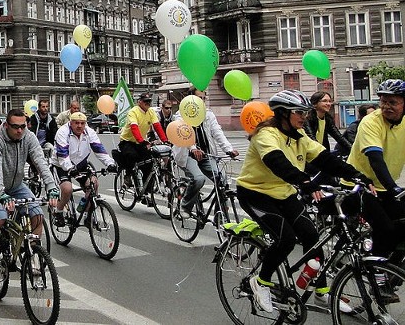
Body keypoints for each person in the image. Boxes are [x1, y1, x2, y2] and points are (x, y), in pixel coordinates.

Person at [236, 89, 373, 314]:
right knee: (286, 239)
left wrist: (357, 175)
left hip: (284, 193)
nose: (304, 117)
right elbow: (276, 161)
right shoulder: (266, 134)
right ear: (283, 114)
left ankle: (321, 291)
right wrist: (305, 182)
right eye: (298, 112)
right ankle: (261, 282)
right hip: (255, 194)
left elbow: (326, 159)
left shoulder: (300, 138)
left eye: (305, 112)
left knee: (312, 237)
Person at [0, 109, 59, 266]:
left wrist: (51, 186)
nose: (19, 130)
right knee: (0, 217)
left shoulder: (28, 136)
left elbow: (39, 160)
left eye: (23, 126)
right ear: (6, 125)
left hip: (16, 185)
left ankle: (34, 254)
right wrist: (0, 192)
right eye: (15, 126)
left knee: (37, 216)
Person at [341, 79, 405, 262]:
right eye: (383, 101)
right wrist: (394, 188)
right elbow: (376, 160)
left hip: (382, 186)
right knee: (385, 228)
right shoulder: (370, 122)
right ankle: (376, 271)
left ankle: (390, 269)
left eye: (393, 102)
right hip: (358, 185)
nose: (386, 106)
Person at [172, 87, 239, 218]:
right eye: (199, 98)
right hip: (188, 155)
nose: (201, 102)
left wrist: (228, 149)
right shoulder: (180, 115)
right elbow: (184, 133)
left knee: (222, 178)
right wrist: (193, 148)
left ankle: (221, 212)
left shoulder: (208, 114)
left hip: (206, 155)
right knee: (198, 179)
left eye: (203, 98)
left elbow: (217, 132)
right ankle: (185, 205)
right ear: (190, 100)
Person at [51, 112, 117, 226]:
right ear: (70, 123)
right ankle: (59, 211)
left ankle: (86, 214)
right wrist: (70, 168)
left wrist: (110, 163)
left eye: (82, 123)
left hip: (80, 164)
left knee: (93, 185)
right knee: (67, 189)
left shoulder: (89, 132)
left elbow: (99, 149)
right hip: (61, 165)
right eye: (76, 123)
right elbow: (62, 155)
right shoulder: (62, 132)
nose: (79, 126)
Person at [117, 93, 168, 202]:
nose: (147, 103)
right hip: (128, 141)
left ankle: (145, 191)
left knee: (149, 163)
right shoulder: (133, 112)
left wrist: (165, 140)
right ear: (139, 102)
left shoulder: (151, 112)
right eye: (145, 101)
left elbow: (157, 126)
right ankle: (128, 176)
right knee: (131, 155)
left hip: (141, 141)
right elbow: (134, 128)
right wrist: (142, 142)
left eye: (149, 101)